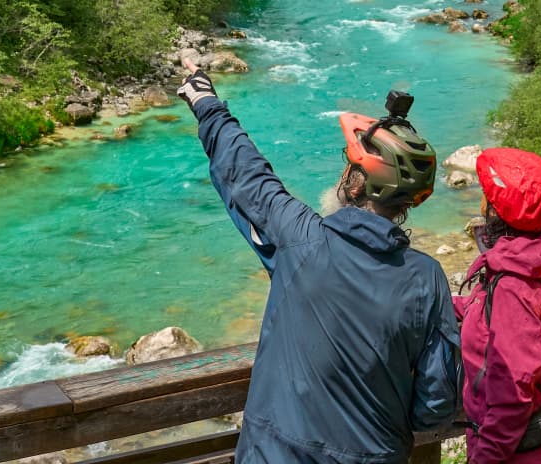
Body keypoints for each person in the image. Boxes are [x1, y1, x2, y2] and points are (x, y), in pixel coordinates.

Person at [177, 69, 462, 464]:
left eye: (349, 164)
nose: (343, 172)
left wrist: (207, 105)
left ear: (358, 184)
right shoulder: (427, 278)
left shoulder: (300, 239)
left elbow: (247, 176)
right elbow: (436, 403)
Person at [455, 148, 541, 464]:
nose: (482, 208)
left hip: (513, 453)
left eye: (487, 201)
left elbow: (514, 394)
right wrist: (440, 305)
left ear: (499, 212)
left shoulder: (513, 286)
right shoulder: (532, 260)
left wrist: (484, 458)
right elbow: (491, 315)